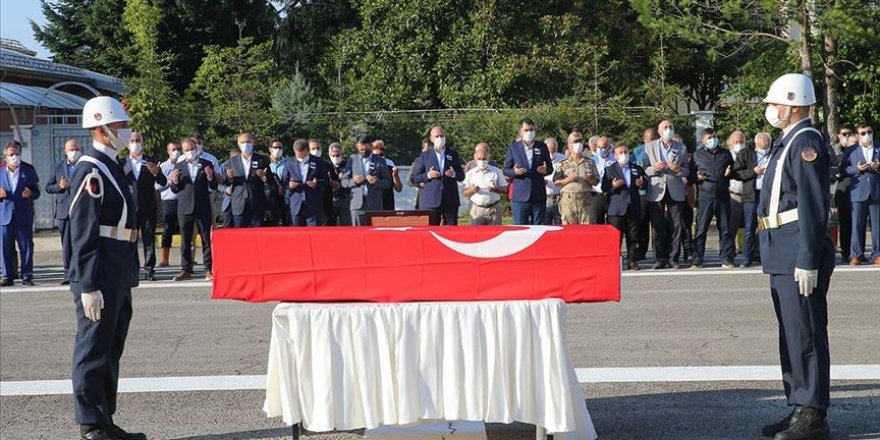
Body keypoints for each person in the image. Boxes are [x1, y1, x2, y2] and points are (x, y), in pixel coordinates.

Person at [757, 73, 834, 440]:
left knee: (805, 331)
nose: (771, 110)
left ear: (792, 104)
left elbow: (813, 204)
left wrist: (808, 258)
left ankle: (813, 415)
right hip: (781, 248)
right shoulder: (787, 141)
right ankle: (798, 405)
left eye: (774, 103)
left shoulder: (806, 141)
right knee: (791, 333)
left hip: (797, 250)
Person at [67, 96, 145, 440]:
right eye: (119, 126)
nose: (125, 132)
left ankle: (104, 418)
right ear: (101, 129)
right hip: (99, 272)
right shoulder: (91, 170)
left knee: (111, 346)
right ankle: (91, 424)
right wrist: (87, 285)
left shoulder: (112, 165)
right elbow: (82, 231)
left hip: (117, 268)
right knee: (93, 347)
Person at [640, 120, 689, 269]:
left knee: (676, 225)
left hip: (675, 189)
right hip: (657, 190)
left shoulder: (681, 147)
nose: (668, 130)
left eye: (671, 127)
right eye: (665, 127)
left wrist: (678, 169)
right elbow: (644, 169)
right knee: (657, 225)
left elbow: (687, 170)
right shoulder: (650, 147)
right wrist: (654, 169)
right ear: (659, 132)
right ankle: (660, 258)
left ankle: (673, 258)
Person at [170, 138, 218, 281]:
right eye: (187, 150)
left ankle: (208, 269)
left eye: (192, 148)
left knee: (205, 240)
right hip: (185, 208)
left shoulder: (207, 164)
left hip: (202, 206)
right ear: (183, 152)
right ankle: (186, 269)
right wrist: (175, 180)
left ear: (196, 148)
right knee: (186, 240)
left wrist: (210, 176)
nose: (190, 152)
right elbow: (174, 189)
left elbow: (214, 185)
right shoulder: (179, 165)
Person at [121, 132, 166, 281]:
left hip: (148, 208)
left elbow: (163, 182)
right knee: (130, 241)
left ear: (143, 143)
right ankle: (132, 270)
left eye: (138, 140)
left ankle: (149, 270)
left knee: (149, 240)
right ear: (128, 144)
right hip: (129, 210)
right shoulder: (121, 163)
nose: (135, 143)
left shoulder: (150, 161)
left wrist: (156, 174)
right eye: (132, 140)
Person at [691, 128, 735, 269]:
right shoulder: (697, 155)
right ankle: (697, 259)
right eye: (709, 137)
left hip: (722, 196)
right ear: (703, 140)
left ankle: (726, 258)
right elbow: (690, 176)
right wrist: (697, 177)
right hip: (705, 196)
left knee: (725, 229)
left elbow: (735, 170)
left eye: (714, 136)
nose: (713, 139)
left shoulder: (725, 154)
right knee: (701, 229)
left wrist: (730, 172)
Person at [1, 142, 41, 286]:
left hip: (23, 215)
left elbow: (37, 192)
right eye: (11, 155)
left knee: (26, 247)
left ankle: (27, 275)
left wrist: (30, 193)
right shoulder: (0, 172)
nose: (14, 157)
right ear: (5, 157)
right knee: (5, 247)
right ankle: (7, 275)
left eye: (17, 154)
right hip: (5, 216)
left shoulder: (28, 170)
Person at [603, 143, 646, 270]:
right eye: (620, 153)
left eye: (626, 152)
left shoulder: (637, 168)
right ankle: (615, 261)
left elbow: (645, 184)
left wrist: (641, 184)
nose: (624, 155)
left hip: (633, 206)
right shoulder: (610, 169)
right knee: (616, 238)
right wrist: (613, 186)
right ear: (615, 156)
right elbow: (604, 187)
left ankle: (632, 260)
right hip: (616, 209)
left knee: (633, 237)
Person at [411, 125, 466, 225]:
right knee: (431, 232)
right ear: (431, 139)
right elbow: (415, 178)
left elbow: (461, 176)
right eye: (437, 136)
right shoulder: (425, 155)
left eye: (442, 136)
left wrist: (454, 174)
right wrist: (428, 175)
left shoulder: (453, 154)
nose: (440, 138)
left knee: (451, 232)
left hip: (450, 200)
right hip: (431, 201)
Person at [842, 123, 880, 265]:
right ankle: (856, 254)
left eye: (869, 132)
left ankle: (877, 254)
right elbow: (844, 169)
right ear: (857, 136)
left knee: (877, 226)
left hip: (876, 191)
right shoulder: (852, 150)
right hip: (858, 192)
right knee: (857, 225)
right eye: (863, 133)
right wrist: (856, 169)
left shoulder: (878, 147)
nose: (867, 135)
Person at [504, 118, 553, 225]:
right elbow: (506, 170)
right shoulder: (513, 148)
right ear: (520, 132)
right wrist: (514, 172)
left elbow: (550, 168)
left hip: (538, 195)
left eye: (531, 130)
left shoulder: (542, 146)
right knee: (520, 229)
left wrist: (545, 170)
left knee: (539, 229)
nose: (529, 132)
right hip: (520, 196)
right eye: (526, 130)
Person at [46, 139, 81, 284]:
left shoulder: (85, 165)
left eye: (76, 149)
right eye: (71, 149)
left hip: (81, 211)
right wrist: (60, 187)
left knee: (81, 243)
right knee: (67, 245)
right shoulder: (59, 167)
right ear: (65, 152)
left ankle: (81, 272)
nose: (74, 152)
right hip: (64, 212)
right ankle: (68, 274)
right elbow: (48, 187)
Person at [734, 132, 771, 267]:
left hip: (768, 194)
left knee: (767, 226)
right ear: (756, 144)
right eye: (762, 147)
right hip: (751, 194)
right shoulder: (746, 153)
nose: (765, 148)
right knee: (750, 227)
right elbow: (736, 173)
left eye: (767, 146)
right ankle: (747, 256)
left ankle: (764, 255)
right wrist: (753, 171)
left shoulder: (773, 153)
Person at [224, 133, 271, 227]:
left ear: (253, 143)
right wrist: (230, 177)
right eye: (243, 142)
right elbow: (226, 182)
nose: (246, 144)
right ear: (238, 143)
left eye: (248, 142)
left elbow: (270, 180)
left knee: (257, 235)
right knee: (240, 236)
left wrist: (263, 177)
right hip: (239, 204)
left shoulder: (261, 160)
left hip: (256, 203)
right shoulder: (232, 161)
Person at [342, 136, 391, 225]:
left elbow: (387, 183)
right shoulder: (352, 160)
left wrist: (377, 182)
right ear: (357, 148)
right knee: (357, 234)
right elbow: (344, 182)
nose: (364, 152)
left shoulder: (380, 161)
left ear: (371, 147)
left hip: (374, 203)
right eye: (361, 150)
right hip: (357, 204)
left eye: (366, 150)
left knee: (376, 234)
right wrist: (354, 181)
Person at [553, 132, 599, 224]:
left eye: (580, 141)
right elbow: (556, 182)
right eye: (575, 142)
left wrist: (589, 179)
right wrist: (568, 179)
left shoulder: (590, 162)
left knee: (587, 232)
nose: (578, 144)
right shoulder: (562, 163)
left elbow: (596, 181)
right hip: (568, 201)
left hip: (586, 201)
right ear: (569, 146)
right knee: (570, 233)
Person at [282, 139, 328, 226]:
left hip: (313, 205)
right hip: (296, 205)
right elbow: (284, 181)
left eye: (302, 155)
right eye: (297, 155)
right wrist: (289, 185)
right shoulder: (289, 163)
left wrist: (316, 183)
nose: (300, 158)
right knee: (297, 235)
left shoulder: (318, 162)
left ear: (307, 150)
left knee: (314, 235)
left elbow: (326, 180)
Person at [463, 145, 507, 225]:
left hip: (494, 209)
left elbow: (505, 189)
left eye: (484, 159)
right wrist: (472, 190)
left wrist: (495, 189)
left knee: (496, 235)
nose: (482, 161)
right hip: (477, 209)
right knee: (477, 236)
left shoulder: (497, 171)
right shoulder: (470, 173)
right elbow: (465, 193)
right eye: (479, 159)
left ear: (488, 158)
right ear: (475, 159)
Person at [632, 128, 658, 260]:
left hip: (657, 192)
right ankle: (641, 251)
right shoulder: (637, 152)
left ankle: (658, 252)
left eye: (653, 140)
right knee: (641, 223)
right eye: (648, 140)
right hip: (641, 193)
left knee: (657, 224)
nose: (651, 143)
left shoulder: (660, 151)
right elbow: (631, 168)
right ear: (644, 140)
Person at [155, 142, 181, 268]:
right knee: (167, 230)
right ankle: (165, 259)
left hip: (184, 201)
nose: (176, 151)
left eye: (178, 149)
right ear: (168, 151)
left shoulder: (185, 164)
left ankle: (188, 260)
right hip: (169, 201)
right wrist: (168, 181)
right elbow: (156, 186)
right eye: (173, 149)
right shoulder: (163, 166)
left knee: (188, 230)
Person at [831, 125, 854, 261]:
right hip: (839, 190)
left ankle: (856, 251)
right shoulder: (834, 151)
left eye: (849, 133)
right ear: (838, 135)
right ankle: (845, 252)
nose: (847, 136)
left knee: (856, 223)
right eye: (844, 134)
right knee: (843, 223)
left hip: (856, 190)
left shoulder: (858, 149)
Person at [726, 131, 748, 262]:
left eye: (741, 141)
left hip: (748, 195)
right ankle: (730, 254)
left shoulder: (750, 155)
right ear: (730, 144)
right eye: (736, 142)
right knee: (731, 227)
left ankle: (749, 252)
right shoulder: (727, 156)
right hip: (733, 195)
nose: (739, 144)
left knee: (749, 227)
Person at [587, 136, 615, 224]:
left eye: (603, 147)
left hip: (611, 195)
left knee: (612, 223)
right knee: (596, 223)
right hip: (596, 195)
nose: (601, 149)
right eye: (599, 147)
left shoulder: (615, 160)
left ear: (609, 147)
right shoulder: (592, 161)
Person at [372, 140, 402, 210]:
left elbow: (399, 188)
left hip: (387, 203)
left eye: (381, 155)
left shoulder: (389, 164)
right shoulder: (368, 167)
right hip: (373, 203)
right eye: (375, 156)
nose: (379, 158)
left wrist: (395, 175)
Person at [328, 143, 352, 226]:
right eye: (333, 155)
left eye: (337, 155)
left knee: (347, 226)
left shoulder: (348, 165)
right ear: (329, 154)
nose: (335, 157)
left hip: (345, 199)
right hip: (331, 200)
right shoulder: (326, 165)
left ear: (341, 154)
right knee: (330, 227)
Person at [267, 138, 289, 226]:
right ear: (270, 149)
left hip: (285, 197)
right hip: (270, 198)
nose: (278, 150)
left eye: (280, 148)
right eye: (275, 147)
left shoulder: (288, 162)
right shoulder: (265, 162)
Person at [544, 137, 566, 225]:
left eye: (554, 150)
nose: (552, 153)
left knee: (560, 225)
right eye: (549, 151)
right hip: (545, 198)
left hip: (559, 198)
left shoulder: (563, 159)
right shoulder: (539, 159)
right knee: (545, 226)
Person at [218, 147, 239, 228]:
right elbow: (219, 184)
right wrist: (226, 189)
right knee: (227, 227)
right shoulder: (224, 166)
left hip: (242, 201)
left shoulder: (245, 166)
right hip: (228, 201)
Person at [410, 139, 432, 209]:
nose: (427, 151)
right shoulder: (418, 161)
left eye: (429, 149)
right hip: (423, 196)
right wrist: (419, 184)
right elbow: (411, 180)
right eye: (426, 149)